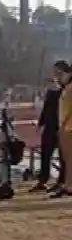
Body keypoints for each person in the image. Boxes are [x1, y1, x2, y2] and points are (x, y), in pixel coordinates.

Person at [50, 60, 72, 199]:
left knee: (69, 159)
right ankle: (67, 183)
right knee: (66, 159)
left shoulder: (70, 89)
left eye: (60, 74)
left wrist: (63, 126)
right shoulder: (66, 88)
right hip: (66, 126)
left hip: (69, 128)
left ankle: (69, 185)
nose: (58, 78)